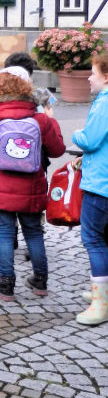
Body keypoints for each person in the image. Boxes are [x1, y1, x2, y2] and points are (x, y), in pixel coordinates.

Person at [0, 67, 66, 301]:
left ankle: (6, 284)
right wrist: (52, 122)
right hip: (31, 187)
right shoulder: (40, 119)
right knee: (34, 233)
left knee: (4, 233)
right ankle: (40, 280)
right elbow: (57, 150)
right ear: (26, 88)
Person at [71, 52, 108, 325]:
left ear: (106, 77)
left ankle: (101, 304)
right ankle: (102, 294)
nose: (88, 77)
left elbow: (91, 139)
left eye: (93, 73)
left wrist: (75, 136)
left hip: (100, 185)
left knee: (94, 240)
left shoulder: (105, 103)